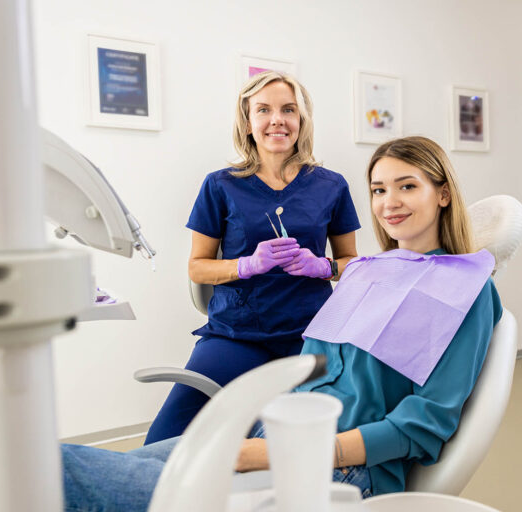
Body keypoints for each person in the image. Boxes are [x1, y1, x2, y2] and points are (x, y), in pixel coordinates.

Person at [0, 136, 502, 510]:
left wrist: (265, 454)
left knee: (31, 468)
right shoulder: (370, 270)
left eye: (407, 186)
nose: (388, 202)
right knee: (41, 466)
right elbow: (318, 369)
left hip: (335, 470)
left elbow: (422, 429)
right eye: (377, 189)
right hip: (267, 436)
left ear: (443, 192)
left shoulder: (468, 293)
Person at [144, 71, 360, 444]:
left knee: (328, 434)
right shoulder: (220, 185)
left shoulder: (332, 186)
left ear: (301, 121)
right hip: (237, 334)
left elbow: (352, 265)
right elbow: (197, 266)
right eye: (264, 110)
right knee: (169, 436)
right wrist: (246, 265)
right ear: (248, 122)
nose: (277, 119)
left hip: (311, 336)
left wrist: (323, 265)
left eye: (288, 110)